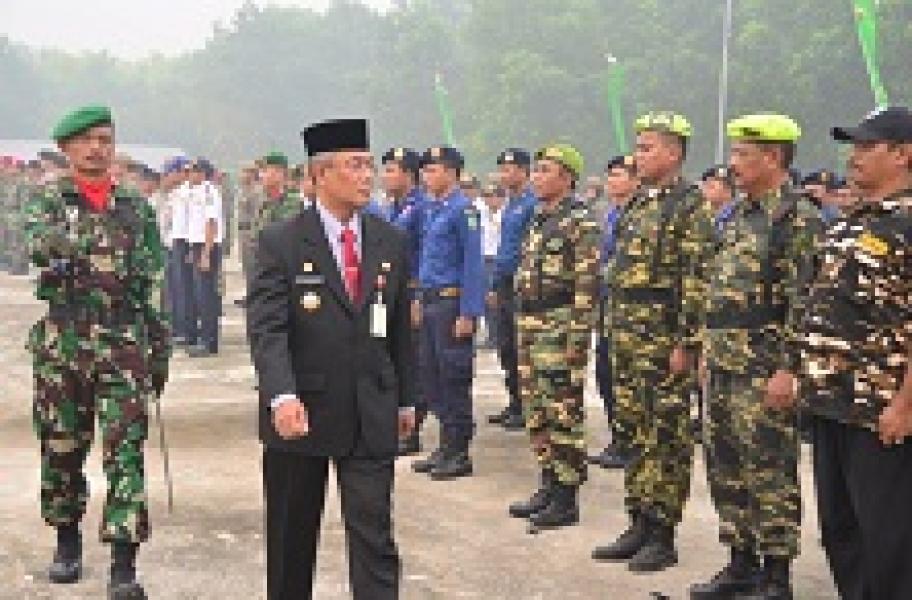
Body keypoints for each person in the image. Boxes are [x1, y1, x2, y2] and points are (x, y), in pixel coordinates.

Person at [247, 118, 414, 600]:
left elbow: (399, 326)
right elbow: (268, 329)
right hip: (302, 411)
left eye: (369, 165)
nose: (367, 176)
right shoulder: (280, 242)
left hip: (370, 409)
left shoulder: (389, 241)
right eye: (354, 166)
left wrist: (406, 399)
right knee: (291, 540)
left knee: (374, 539)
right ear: (319, 175)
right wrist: (281, 395)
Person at [22, 105, 170, 599]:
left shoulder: (135, 205)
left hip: (123, 344)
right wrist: (83, 250)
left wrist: (159, 347)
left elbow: (152, 278)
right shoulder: (46, 200)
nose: (96, 148)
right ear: (66, 148)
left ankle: (124, 564)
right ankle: (67, 540)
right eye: (85, 140)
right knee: (63, 447)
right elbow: (43, 248)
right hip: (63, 344)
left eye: (105, 139)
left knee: (125, 452)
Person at [690, 114, 823, 600]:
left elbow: (803, 301)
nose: (733, 165)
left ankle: (776, 574)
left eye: (743, 155)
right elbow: (721, 290)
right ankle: (740, 561)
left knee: (769, 468)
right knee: (724, 464)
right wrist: (707, 348)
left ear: (773, 157)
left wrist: (788, 368)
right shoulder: (738, 215)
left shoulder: (797, 219)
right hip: (725, 362)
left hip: (764, 366)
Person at [790, 106, 912, 600]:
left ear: (904, 154)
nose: (854, 156)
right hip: (832, 404)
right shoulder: (849, 222)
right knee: (842, 534)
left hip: (881, 411)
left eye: (868, 146)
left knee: (890, 543)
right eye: (854, 146)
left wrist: (904, 404)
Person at [592, 111, 714, 572]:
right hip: (626, 335)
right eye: (637, 147)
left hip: (662, 339)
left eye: (647, 148)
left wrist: (686, 342)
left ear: (674, 152)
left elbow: (695, 279)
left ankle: (663, 532)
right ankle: (639, 520)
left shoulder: (689, 205)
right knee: (633, 432)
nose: (637, 155)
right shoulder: (639, 203)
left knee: (666, 436)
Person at [507, 143, 599, 532]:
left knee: (563, 411)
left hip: (560, 326)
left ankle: (566, 494)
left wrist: (577, 340)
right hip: (531, 324)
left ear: (566, 177)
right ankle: (548, 482)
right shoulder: (538, 218)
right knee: (536, 408)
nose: (536, 176)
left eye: (545, 170)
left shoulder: (580, 220)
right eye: (537, 169)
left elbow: (587, 283)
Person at [410, 145, 484, 480]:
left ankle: (459, 450)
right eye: (424, 171)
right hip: (430, 301)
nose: (427, 176)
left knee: (454, 376)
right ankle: (444, 444)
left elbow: (473, 263)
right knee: (431, 375)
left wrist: (469, 312)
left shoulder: (463, 210)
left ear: (452, 173)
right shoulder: (430, 209)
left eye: (434, 170)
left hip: (452, 303)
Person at [379, 147, 430, 455]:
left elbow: (425, 254)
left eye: (391, 170)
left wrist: (418, 296)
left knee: (412, 361)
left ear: (409, 175)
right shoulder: (391, 208)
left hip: (410, 292)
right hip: (389, 291)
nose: (386, 176)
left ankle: (412, 430)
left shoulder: (421, 208)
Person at [590, 155, 639, 470]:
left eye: (619, 175)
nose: (612, 181)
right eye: (610, 175)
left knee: (625, 378)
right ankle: (618, 437)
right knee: (605, 374)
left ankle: (629, 441)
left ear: (636, 180)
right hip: (607, 304)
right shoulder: (610, 214)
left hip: (629, 309)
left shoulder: (637, 215)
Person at [488, 148, 537, 430]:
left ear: (523, 171)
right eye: (502, 170)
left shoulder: (531, 204)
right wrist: (495, 285)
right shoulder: (510, 203)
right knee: (506, 346)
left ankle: (525, 405)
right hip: (504, 280)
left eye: (510, 170)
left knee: (521, 348)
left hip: (520, 282)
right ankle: (514, 401)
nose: (505, 175)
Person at [186, 158, 224, 357]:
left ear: (202, 173)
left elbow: (211, 223)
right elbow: (195, 224)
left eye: (194, 171)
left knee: (207, 296)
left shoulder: (209, 192)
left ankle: (209, 341)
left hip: (208, 246)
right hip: (198, 245)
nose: (190, 175)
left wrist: (206, 253)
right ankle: (204, 338)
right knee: (199, 295)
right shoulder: (195, 191)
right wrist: (194, 250)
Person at [477, 182, 504, 349]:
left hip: (496, 259)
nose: (488, 200)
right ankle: (490, 334)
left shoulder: (503, 214)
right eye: (485, 196)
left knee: (496, 300)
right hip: (484, 259)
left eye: (491, 196)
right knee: (486, 300)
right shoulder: (482, 213)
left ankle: (497, 335)